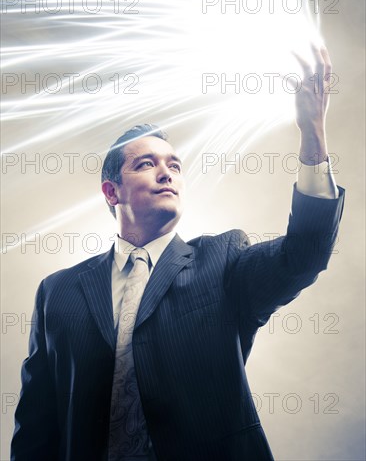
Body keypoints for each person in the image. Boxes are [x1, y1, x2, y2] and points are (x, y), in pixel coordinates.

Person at [11, 46, 345, 460]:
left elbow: (305, 254)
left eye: (174, 164)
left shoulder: (223, 260)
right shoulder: (56, 293)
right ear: (112, 191)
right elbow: (35, 428)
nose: (166, 172)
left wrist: (313, 133)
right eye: (146, 164)